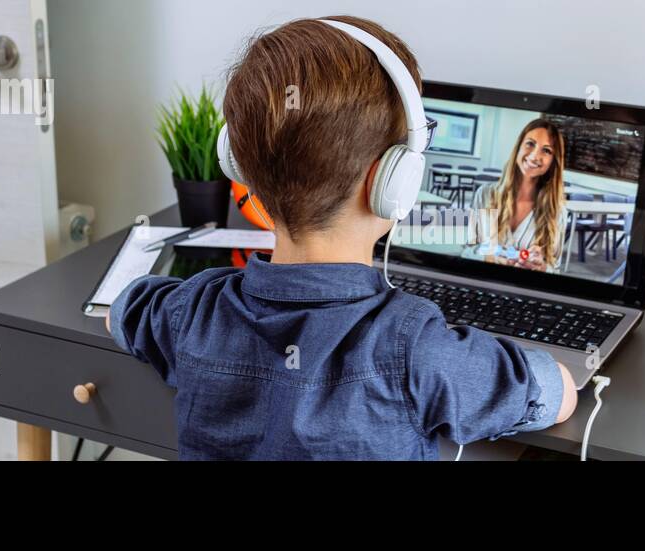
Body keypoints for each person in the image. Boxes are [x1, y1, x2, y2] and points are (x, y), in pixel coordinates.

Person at [104, 15, 576, 460]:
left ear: (243, 171)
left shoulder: (194, 312)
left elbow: (123, 310)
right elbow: (556, 393)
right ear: (391, 183)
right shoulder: (414, 347)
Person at [462, 119, 569, 272]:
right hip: (483, 280)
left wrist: (541, 268)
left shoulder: (558, 212)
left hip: (524, 289)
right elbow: (466, 251)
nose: (534, 156)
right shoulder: (485, 194)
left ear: (553, 161)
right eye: (530, 144)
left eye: (546, 150)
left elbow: (555, 269)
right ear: (518, 147)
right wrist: (490, 258)